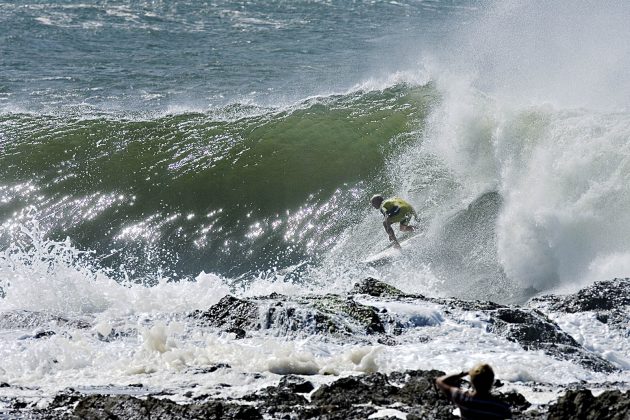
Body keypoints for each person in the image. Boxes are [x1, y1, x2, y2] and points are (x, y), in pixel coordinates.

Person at [435, 363, 512, 420]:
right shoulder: (501, 407)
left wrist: (465, 373)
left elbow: (440, 381)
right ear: (492, 382)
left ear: (472, 381)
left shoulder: (463, 398)